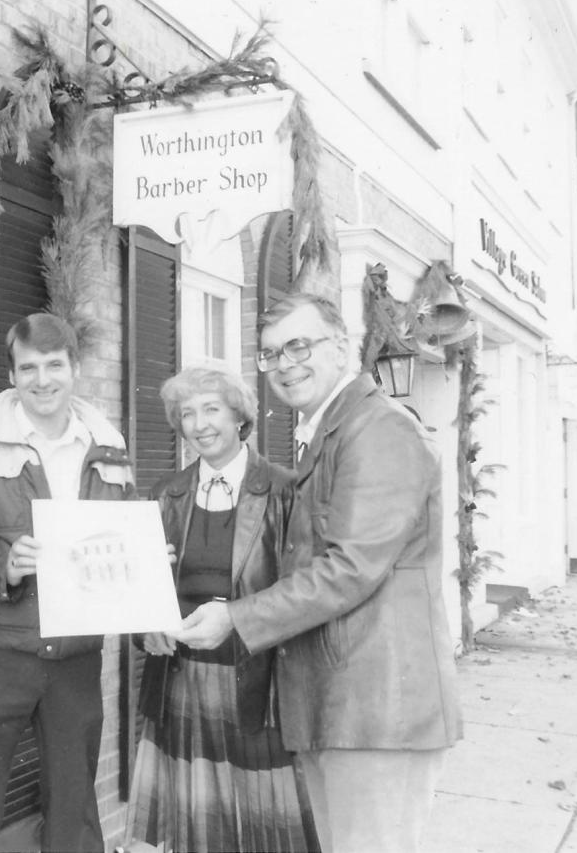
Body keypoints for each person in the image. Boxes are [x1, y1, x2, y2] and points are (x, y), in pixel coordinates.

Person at [172, 294, 462, 853]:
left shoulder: (376, 429)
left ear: (342, 347)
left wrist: (236, 616)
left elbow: (349, 567)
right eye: (271, 353)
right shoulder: (330, 430)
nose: (285, 364)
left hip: (377, 712)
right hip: (344, 706)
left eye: (299, 346)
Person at [0, 312, 134, 853]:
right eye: (28, 368)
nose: (42, 379)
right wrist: (3, 564)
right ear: (12, 374)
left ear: (75, 368)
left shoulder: (111, 451)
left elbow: (119, 538)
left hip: (76, 654)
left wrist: (142, 563)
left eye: (53, 365)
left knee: (74, 801)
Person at [126, 365, 316, 853]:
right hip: (181, 683)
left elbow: (304, 591)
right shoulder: (166, 494)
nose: (199, 424)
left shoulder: (284, 491)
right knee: (195, 828)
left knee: (263, 827)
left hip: (257, 685)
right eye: (187, 413)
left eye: (211, 409)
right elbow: (140, 592)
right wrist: (146, 629)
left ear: (240, 417)